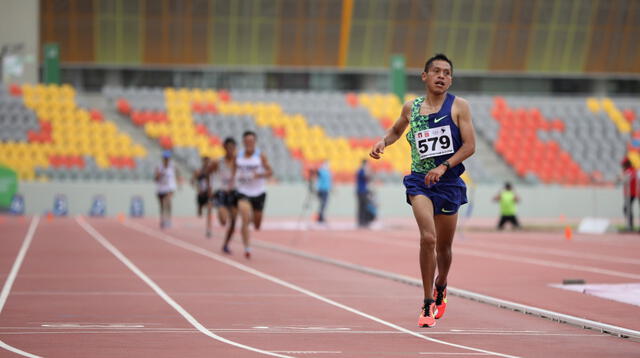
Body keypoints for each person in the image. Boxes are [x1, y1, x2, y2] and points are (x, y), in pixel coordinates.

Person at [369, 53, 475, 328]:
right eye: (437, 71)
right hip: (419, 182)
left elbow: (469, 146)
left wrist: (442, 167)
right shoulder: (411, 108)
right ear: (425, 76)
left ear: (451, 79)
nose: (442, 76)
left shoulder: (459, 107)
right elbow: (395, 131)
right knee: (427, 238)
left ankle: (441, 284)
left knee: (444, 247)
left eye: (447, 73)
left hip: (448, 182)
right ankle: (427, 302)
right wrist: (383, 142)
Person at [231, 131, 273, 259]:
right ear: (243, 142)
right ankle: (247, 247)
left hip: (258, 192)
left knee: (257, 224)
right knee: (244, 216)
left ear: (255, 142)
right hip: (243, 191)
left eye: (251, 141)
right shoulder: (237, 156)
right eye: (247, 141)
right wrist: (233, 182)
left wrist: (259, 175)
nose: (249, 143)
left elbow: (270, 172)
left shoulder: (260, 156)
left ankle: (252, 220)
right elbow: (233, 172)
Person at [213, 138, 240, 253]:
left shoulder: (238, 162)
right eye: (228, 147)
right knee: (224, 221)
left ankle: (226, 244)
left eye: (232, 148)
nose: (230, 150)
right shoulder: (218, 162)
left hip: (234, 192)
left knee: (233, 221)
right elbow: (208, 172)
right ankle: (220, 210)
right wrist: (211, 188)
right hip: (222, 192)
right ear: (224, 148)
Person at [154, 150, 182, 229]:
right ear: (163, 158)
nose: (166, 159)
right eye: (165, 158)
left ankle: (168, 219)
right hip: (160, 188)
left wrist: (179, 180)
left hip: (169, 188)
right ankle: (162, 219)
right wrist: (159, 175)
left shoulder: (172, 166)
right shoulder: (159, 167)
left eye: (168, 158)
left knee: (167, 202)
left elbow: (178, 172)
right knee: (162, 205)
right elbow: (155, 178)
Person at [191, 156, 213, 237]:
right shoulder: (199, 171)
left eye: (208, 161)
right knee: (200, 213)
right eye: (205, 161)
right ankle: (200, 208)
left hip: (208, 193)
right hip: (201, 194)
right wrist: (197, 187)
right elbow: (193, 181)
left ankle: (209, 229)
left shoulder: (211, 171)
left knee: (209, 209)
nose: (207, 163)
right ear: (203, 162)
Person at [621, 158, 637, 231]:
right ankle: (629, 225)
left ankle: (630, 225)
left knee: (627, 209)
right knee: (627, 209)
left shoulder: (630, 171)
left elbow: (626, 179)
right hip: (630, 193)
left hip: (631, 193)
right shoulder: (631, 171)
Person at [356, 159, 372, 228]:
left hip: (364, 190)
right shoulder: (361, 170)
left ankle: (364, 221)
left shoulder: (362, 170)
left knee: (364, 206)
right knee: (362, 206)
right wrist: (367, 170)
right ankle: (362, 221)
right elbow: (366, 176)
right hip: (361, 191)